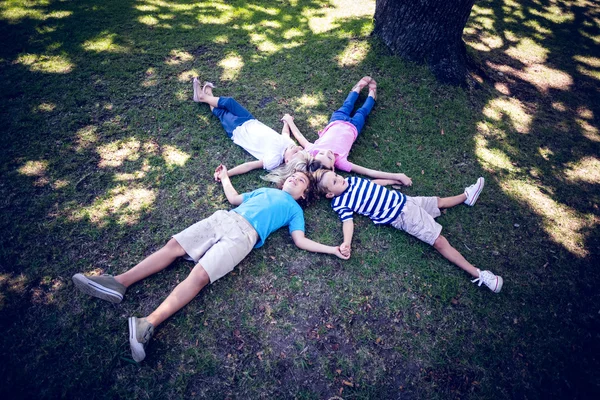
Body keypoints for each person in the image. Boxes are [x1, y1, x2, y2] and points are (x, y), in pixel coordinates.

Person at [73, 166, 349, 362]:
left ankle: (147, 323)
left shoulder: (295, 210)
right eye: (294, 176)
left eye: (300, 181)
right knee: (172, 248)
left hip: (243, 238)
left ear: (303, 195)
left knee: (199, 277)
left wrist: (333, 250)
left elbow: (300, 240)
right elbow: (234, 199)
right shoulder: (264, 190)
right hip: (224, 219)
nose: (294, 180)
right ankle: (118, 282)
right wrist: (226, 176)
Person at [312, 169, 503, 292]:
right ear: (330, 194)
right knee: (439, 241)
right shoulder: (340, 203)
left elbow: (372, 184)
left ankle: (466, 196)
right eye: (335, 182)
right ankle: (479, 274)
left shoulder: (352, 181)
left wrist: (391, 182)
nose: (340, 179)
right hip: (402, 215)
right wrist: (347, 242)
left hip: (404, 200)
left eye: (337, 176)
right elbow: (348, 222)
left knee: (438, 201)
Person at [283, 76, 412, 186]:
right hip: (354, 126)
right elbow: (368, 172)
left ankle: (357, 88)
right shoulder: (341, 162)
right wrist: (397, 176)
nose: (328, 152)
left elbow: (299, 136)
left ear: (314, 156)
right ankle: (372, 94)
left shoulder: (312, 149)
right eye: (329, 157)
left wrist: (289, 121)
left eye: (322, 153)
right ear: (333, 167)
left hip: (336, 120)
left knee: (347, 105)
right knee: (362, 111)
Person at [193, 77, 303, 177]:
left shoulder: (274, 160)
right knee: (230, 102)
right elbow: (285, 134)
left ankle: (203, 97)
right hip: (250, 121)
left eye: (296, 153)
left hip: (239, 131)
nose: (298, 148)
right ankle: (207, 97)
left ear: (287, 161)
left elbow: (250, 165)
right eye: (300, 149)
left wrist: (228, 173)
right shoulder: (290, 145)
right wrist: (286, 123)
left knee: (221, 113)